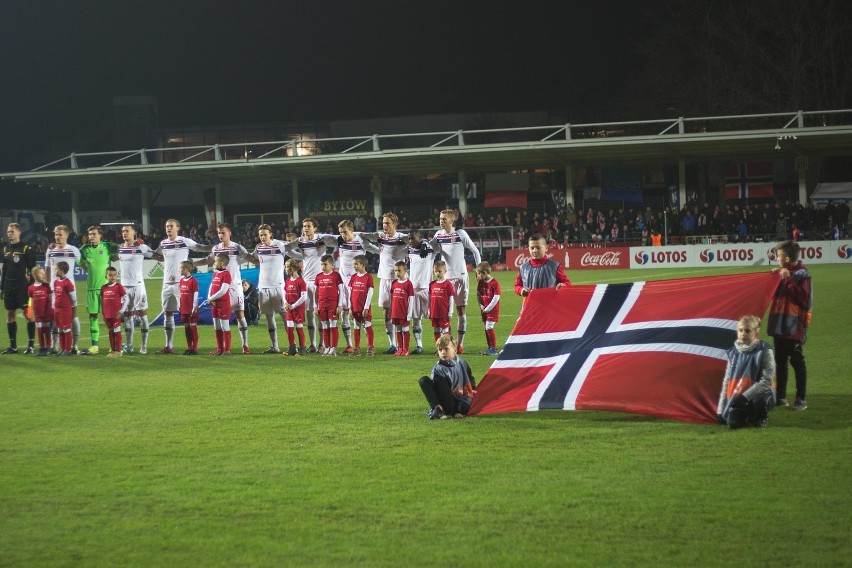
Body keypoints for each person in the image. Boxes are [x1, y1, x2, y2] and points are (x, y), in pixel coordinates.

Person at [152, 219, 213, 354]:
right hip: (167, 284)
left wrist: (215, 247)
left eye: (171, 226)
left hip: (182, 284)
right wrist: (142, 250)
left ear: (177, 228)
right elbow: (157, 255)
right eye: (167, 226)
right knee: (168, 314)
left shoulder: (184, 241)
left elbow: (199, 247)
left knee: (188, 316)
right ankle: (169, 346)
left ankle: (193, 347)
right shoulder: (163, 243)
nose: (168, 228)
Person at [767, 240, 813, 411]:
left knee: (797, 361)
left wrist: (788, 279)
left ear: (786, 258)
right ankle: (781, 397)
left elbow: (803, 299)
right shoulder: (782, 272)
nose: (777, 259)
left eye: (778, 256)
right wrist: (774, 279)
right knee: (780, 362)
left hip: (794, 324)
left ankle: (801, 399)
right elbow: (774, 296)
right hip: (780, 323)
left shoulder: (802, 274)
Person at [431, 209, 482, 354]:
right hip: (445, 279)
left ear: (452, 220)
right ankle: (447, 345)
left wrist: (478, 269)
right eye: (440, 218)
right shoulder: (438, 235)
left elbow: (475, 251)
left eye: (444, 219)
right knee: (446, 314)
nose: (441, 221)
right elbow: (431, 250)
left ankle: (459, 344)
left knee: (461, 310)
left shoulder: (460, 234)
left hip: (460, 277)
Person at [197, 223, 253, 354]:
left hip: (234, 287)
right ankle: (222, 347)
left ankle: (245, 345)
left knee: (240, 315)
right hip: (220, 289)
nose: (221, 235)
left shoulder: (237, 247)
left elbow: (248, 257)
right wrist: (191, 264)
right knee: (219, 319)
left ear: (229, 233)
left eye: (223, 233)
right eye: (219, 233)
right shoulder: (216, 248)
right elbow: (207, 260)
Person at [284, 218, 338, 353]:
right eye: (304, 226)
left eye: (308, 226)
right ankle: (313, 344)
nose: (306, 228)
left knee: (321, 315)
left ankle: (323, 344)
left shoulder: (322, 239)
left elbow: (338, 239)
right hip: (307, 281)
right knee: (309, 315)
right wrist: (299, 256)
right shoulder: (301, 241)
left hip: (320, 281)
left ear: (315, 228)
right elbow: (287, 248)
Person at [359, 212, 408, 354]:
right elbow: (363, 236)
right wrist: (376, 250)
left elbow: (416, 242)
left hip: (399, 280)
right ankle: (392, 344)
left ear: (395, 225)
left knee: (401, 313)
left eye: (388, 223)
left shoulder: (402, 238)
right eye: (384, 223)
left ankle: (403, 345)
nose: (385, 226)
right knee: (386, 312)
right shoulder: (380, 237)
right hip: (384, 279)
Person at [717, 315, 777, 428]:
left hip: (763, 393)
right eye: (740, 330)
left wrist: (745, 397)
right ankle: (749, 415)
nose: (743, 333)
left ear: (756, 334)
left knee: (758, 401)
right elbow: (726, 381)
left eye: (747, 331)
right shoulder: (733, 353)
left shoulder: (765, 350)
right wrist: (720, 411)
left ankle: (761, 418)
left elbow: (767, 380)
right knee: (734, 424)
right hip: (739, 396)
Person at [248, 224, 293, 354]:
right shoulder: (259, 247)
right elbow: (253, 257)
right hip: (263, 286)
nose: (262, 237)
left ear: (271, 234)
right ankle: (275, 346)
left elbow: (293, 253)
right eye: (260, 235)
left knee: (285, 316)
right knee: (269, 317)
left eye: (265, 234)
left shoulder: (280, 245)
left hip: (278, 286)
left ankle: (292, 344)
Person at [337, 219, 380, 354]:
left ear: (352, 230)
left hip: (359, 285)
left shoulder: (361, 241)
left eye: (345, 232)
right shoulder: (340, 241)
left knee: (363, 318)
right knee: (344, 315)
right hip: (344, 284)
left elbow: (378, 250)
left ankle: (369, 346)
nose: (343, 235)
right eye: (340, 232)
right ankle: (351, 345)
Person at [77, 225, 119, 355]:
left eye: (94, 234)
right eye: (89, 234)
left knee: (110, 317)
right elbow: (81, 262)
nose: (91, 236)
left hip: (106, 289)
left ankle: (116, 345)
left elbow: (118, 254)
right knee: (93, 316)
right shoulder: (84, 249)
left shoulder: (107, 246)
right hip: (91, 288)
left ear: (100, 235)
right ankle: (94, 346)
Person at [418, 334, 477, 420]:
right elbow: (444, 393)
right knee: (423, 381)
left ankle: (447, 410)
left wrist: (473, 391)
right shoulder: (438, 369)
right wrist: (454, 411)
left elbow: (470, 379)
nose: (443, 352)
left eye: (446, 349)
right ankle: (437, 408)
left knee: (464, 408)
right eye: (440, 350)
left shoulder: (463, 363)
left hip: (462, 397)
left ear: (455, 350)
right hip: (448, 399)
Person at [117, 224, 154, 354]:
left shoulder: (141, 247)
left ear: (134, 233)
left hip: (138, 286)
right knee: (127, 317)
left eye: (127, 231)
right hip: (124, 287)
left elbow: (157, 256)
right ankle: (129, 345)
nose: (124, 233)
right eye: (123, 231)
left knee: (143, 316)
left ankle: (144, 346)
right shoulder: (120, 248)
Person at [45, 225, 82, 353]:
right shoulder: (50, 250)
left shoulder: (73, 250)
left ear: (66, 235)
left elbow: (83, 264)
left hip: (69, 288)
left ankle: (75, 345)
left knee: (73, 315)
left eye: (60, 234)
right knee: (54, 317)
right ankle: (55, 345)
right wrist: (46, 285)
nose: (57, 237)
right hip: (54, 289)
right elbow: (48, 268)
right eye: (56, 234)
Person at [2, 222, 37, 354]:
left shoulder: (26, 249)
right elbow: (4, 270)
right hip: (9, 286)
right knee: (10, 315)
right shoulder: (6, 249)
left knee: (28, 315)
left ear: (19, 232)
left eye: (12, 231)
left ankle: (31, 346)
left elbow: (33, 269)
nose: (9, 234)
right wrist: (2, 288)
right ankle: (13, 346)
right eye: (8, 232)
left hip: (23, 287)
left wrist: (32, 287)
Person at [406, 230, 441, 354]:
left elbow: (437, 242)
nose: (410, 241)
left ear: (420, 238)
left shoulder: (430, 249)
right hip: (413, 289)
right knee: (415, 320)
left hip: (426, 288)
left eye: (413, 238)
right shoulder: (409, 250)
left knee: (435, 318)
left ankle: (440, 347)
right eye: (409, 239)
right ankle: (419, 346)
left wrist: (425, 244)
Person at [514, 233, 570, 299]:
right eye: (532, 248)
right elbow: (517, 285)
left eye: (538, 248)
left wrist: (563, 285)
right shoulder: (523, 268)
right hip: (529, 307)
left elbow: (567, 283)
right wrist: (521, 290)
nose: (535, 250)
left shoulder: (554, 266)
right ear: (528, 248)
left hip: (549, 306)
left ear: (546, 248)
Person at [315, 254, 345, 356]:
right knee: (324, 326)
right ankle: (327, 347)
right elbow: (316, 292)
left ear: (331, 265)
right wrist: (316, 306)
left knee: (333, 325)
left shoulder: (336, 275)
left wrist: (340, 305)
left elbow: (341, 290)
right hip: (322, 305)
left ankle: (333, 348)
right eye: (321, 265)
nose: (323, 267)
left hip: (333, 304)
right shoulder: (318, 276)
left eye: (325, 264)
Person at [348, 254, 375, 356]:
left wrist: (366, 307)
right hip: (355, 307)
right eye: (353, 264)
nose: (354, 266)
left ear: (363, 265)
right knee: (356, 327)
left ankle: (370, 347)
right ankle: (356, 348)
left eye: (356, 264)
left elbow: (370, 292)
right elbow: (350, 293)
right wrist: (350, 307)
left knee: (367, 325)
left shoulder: (368, 277)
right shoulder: (353, 277)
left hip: (364, 307)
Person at [208, 254, 233, 356]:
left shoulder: (226, 274)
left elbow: (223, 291)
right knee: (217, 326)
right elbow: (211, 286)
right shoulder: (216, 274)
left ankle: (227, 349)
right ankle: (220, 348)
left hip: (223, 304)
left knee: (224, 326)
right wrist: (209, 298)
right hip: (214, 304)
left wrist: (211, 298)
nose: (214, 264)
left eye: (215, 262)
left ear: (221, 263)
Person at [283, 257, 308, 356]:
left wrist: (293, 306)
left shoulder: (300, 281)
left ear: (292, 268)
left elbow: (304, 297)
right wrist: (285, 303)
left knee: (299, 328)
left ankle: (302, 349)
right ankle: (292, 348)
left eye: (286, 267)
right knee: (289, 329)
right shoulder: (288, 280)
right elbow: (284, 293)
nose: (285, 269)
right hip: (289, 308)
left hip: (298, 309)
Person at [101, 267, 128, 357]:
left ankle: (119, 350)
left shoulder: (118, 286)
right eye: (110, 275)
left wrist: (122, 311)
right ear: (106, 276)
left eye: (114, 275)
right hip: (107, 314)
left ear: (117, 276)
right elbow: (102, 301)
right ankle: (113, 349)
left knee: (117, 330)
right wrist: (103, 312)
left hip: (116, 314)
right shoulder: (103, 288)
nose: (112, 277)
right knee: (111, 331)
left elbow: (126, 299)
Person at [51, 261, 77, 356]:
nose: (55, 270)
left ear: (61, 270)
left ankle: (67, 349)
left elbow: (73, 298)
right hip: (57, 309)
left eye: (56, 268)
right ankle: (62, 349)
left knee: (66, 329)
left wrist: (73, 309)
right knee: (60, 329)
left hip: (65, 310)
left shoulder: (67, 283)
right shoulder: (56, 282)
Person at [390, 260, 415, 356]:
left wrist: (408, 315)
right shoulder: (394, 283)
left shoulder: (408, 284)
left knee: (405, 329)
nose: (397, 273)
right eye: (395, 270)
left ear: (405, 271)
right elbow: (392, 298)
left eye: (399, 271)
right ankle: (400, 348)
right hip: (395, 312)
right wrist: (391, 311)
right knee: (398, 329)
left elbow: (411, 300)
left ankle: (406, 349)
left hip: (404, 313)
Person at [475, 261, 501, 355]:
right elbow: (478, 294)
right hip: (484, 309)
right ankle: (489, 347)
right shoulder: (481, 282)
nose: (478, 275)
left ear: (485, 273)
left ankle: (493, 349)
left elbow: (496, 297)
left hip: (492, 310)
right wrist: (481, 305)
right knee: (486, 327)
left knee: (489, 326)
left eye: (479, 273)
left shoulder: (494, 283)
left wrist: (488, 308)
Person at [27, 266, 53, 356]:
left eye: (44, 274)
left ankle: (49, 348)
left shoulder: (46, 286)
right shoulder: (31, 288)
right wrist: (29, 311)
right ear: (34, 275)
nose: (43, 275)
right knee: (40, 331)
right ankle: (42, 348)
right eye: (41, 273)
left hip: (46, 313)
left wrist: (52, 311)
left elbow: (51, 298)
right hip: (37, 314)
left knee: (47, 331)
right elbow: (30, 300)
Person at [428, 260, 455, 342]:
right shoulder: (432, 284)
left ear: (445, 271)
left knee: (445, 331)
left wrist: (450, 312)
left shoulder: (448, 284)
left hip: (443, 313)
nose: (437, 273)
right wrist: (429, 311)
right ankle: (439, 348)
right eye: (435, 271)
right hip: (434, 313)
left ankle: (447, 348)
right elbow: (430, 299)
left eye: (440, 271)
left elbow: (451, 299)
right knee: (436, 331)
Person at [178, 260, 200, 355]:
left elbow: (195, 295)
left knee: (193, 328)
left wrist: (194, 308)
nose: (179, 270)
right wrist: (179, 306)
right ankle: (189, 347)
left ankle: (194, 348)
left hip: (191, 309)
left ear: (185, 269)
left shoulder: (193, 281)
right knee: (187, 328)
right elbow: (180, 295)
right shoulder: (181, 280)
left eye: (180, 268)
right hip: (183, 309)